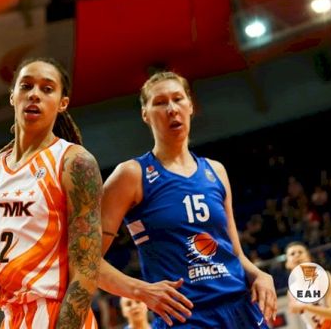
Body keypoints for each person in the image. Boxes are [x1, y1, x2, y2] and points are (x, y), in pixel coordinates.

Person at [99, 71, 277, 328]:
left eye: (178, 99)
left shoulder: (216, 171)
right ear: (145, 114)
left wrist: (259, 275)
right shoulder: (131, 174)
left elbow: (235, 253)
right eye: (160, 102)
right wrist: (140, 290)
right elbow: (83, 260)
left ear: (190, 106)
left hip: (241, 309)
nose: (172, 109)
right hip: (185, 317)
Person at [0, 57, 103, 328]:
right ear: (12, 96)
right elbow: (12, 275)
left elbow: (87, 267)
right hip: (13, 318)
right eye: (26, 86)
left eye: (47, 89)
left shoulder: (74, 162)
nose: (34, 94)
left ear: (62, 103)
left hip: (59, 315)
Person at [285, 241, 331, 329]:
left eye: (300, 252)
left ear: (308, 258)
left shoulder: (323, 277)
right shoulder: (291, 291)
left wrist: (306, 306)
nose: (297, 255)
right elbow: (309, 321)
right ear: (287, 264)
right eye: (292, 254)